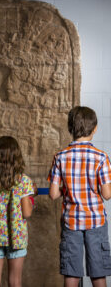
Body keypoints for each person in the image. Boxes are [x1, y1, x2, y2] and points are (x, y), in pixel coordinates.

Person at [48, 106, 111, 287]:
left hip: (71, 223)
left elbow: (53, 194)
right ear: (95, 128)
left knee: (71, 274)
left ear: (70, 128)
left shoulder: (60, 157)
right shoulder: (101, 157)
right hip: (96, 221)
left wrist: (68, 188)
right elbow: (107, 194)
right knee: (98, 274)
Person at [0, 136, 37, 287]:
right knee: (15, 281)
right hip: (16, 236)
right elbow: (27, 213)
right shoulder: (23, 181)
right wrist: (31, 195)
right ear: (17, 157)